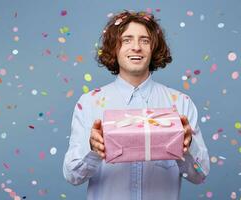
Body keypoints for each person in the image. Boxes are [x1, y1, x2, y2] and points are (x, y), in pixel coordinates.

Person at [63, 10, 210, 200]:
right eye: (126, 40)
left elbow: (200, 174)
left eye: (145, 40)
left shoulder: (180, 104)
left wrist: (187, 150)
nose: (136, 47)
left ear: (154, 48)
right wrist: (93, 151)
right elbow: (72, 176)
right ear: (114, 48)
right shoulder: (89, 103)